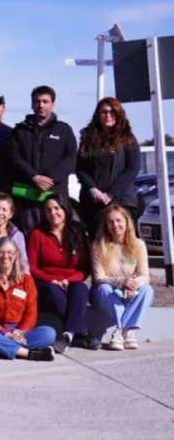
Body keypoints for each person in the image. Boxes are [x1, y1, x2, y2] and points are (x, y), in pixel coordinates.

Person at [26, 193, 96, 353]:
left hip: (71, 281)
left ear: (65, 209)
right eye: (48, 209)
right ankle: (81, 332)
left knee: (81, 289)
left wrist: (68, 280)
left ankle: (67, 336)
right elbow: (31, 266)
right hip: (46, 283)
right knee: (55, 293)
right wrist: (51, 280)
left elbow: (84, 269)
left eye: (57, 208)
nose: (53, 213)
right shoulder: (37, 234)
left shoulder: (77, 232)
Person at [0, 236, 56, 361]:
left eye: (10, 252)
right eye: (1, 252)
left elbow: (31, 312)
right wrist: (4, 333)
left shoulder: (27, 281)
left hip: (20, 331)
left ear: (16, 255)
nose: (5, 256)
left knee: (49, 333)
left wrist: (18, 332)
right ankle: (29, 353)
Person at [9, 85, 78, 232]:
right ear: (32, 104)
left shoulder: (63, 129)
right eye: (37, 101)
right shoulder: (20, 130)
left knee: (57, 237)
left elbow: (71, 159)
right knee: (29, 238)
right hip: (28, 198)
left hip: (56, 196)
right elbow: (14, 158)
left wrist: (48, 179)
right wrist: (34, 177)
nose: (41, 105)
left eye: (45, 101)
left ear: (52, 104)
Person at [91, 205, 153, 351]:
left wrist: (132, 284)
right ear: (106, 225)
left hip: (129, 291)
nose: (115, 225)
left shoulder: (138, 245)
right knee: (104, 288)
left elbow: (145, 276)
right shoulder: (98, 245)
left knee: (147, 290)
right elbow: (99, 277)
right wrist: (122, 281)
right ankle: (126, 330)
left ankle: (121, 331)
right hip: (106, 293)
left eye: (119, 220)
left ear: (126, 222)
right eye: (110, 222)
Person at [76, 97, 141, 233]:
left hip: (122, 201)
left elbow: (132, 168)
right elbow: (80, 167)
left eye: (112, 112)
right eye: (104, 112)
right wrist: (92, 188)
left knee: (123, 247)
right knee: (98, 246)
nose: (108, 115)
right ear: (98, 115)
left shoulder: (128, 138)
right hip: (93, 203)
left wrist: (111, 194)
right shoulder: (87, 138)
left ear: (119, 114)